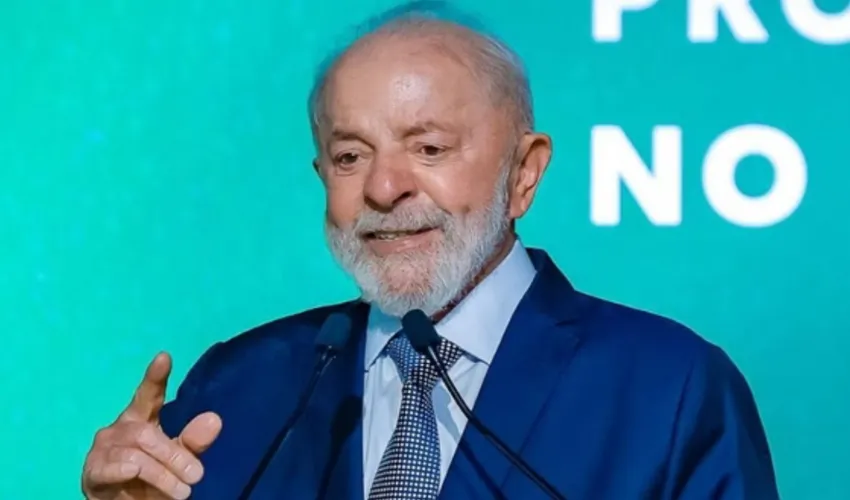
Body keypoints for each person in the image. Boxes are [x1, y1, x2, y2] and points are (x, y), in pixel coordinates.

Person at [81, 2, 780, 499]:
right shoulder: (238, 388)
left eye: (429, 148)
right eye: (350, 156)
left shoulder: (671, 387)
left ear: (524, 173)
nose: (384, 188)